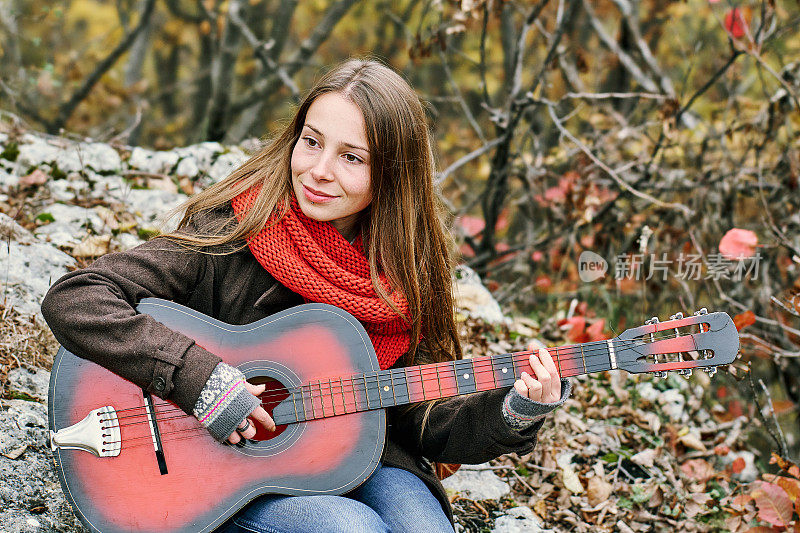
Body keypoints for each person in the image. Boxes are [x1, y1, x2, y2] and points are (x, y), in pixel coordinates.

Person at [41, 58, 570, 533]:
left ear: (392, 176)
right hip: (214, 470)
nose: (318, 171)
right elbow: (78, 296)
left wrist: (516, 410)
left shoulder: (409, 271)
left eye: (351, 158)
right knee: (350, 530)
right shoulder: (238, 228)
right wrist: (200, 379)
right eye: (312, 142)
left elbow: (421, 419)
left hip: (366, 457)